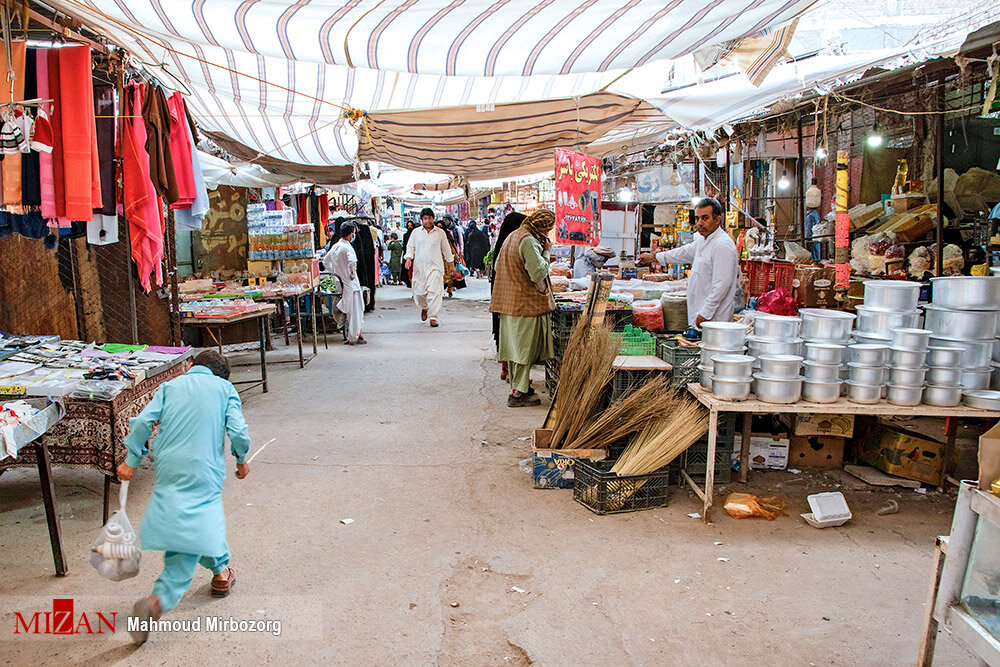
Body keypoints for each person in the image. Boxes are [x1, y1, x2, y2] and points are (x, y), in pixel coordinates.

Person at [117, 349, 251, 644]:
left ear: (190, 366)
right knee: (189, 533)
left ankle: (221, 570)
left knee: (197, 523)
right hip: (204, 472)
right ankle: (157, 601)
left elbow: (141, 423)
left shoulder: (169, 387)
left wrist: (132, 460)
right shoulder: (225, 389)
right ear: (221, 376)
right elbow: (238, 431)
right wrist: (241, 459)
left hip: (169, 468)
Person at [638, 197, 739, 329]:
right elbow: (682, 253)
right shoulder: (702, 240)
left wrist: (705, 313)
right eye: (697, 218)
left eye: (705, 218)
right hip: (700, 315)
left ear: (717, 220)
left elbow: (721, 286)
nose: (700, 223)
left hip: (715, 320)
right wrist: (654, 257)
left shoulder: (722, 245)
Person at [490, 209, 557, 407]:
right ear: (543, 228)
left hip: (510, 303)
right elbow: (537, 274)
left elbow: (497, 267)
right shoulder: (528, 240)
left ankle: (520, 388)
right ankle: (519, 394)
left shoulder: (513, 236)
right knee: (523, 350)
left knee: (516, 349)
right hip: (524, 305)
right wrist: (546, 252)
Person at [489, 211, 526, 380]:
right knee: (513, 334)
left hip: (501, 296)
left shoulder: (502, 245)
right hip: (510, 296)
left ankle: (505, 368)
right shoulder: (513, 245)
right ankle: (510, 371)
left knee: (505, 331)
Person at [404, 207, 454, 327]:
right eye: (425, 219)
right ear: (422, 220)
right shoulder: (416, 232)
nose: (427, 221)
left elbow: (446, 249)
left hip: (435, 267)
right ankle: (424, 307)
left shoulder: (440, 233)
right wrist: (409, 259)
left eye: (430, 218)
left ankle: (433, 317)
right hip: (419, 268)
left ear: (433, 218)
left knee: (435, 292)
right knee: (419, 292)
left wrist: (451, 264)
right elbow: (410, 247)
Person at [323, 221, 366, 345]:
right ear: (350, 234)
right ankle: (353, 337)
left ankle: (353, 335)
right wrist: (351, 274)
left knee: (349, 311)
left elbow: (326, 261)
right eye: (353, 233)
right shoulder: (347, 247)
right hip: (351, 283)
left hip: (342, 282)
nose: (353, 235)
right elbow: (352, 261)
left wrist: (336, 273)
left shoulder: (336, 246)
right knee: (356, 311)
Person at [805, 177, 822, 261]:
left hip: (812, 238)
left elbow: (808, 229)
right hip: (816, 237)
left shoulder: (810, 216)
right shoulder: (816, 214)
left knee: (814, 255)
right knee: (816, 253)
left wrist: (806, 239)